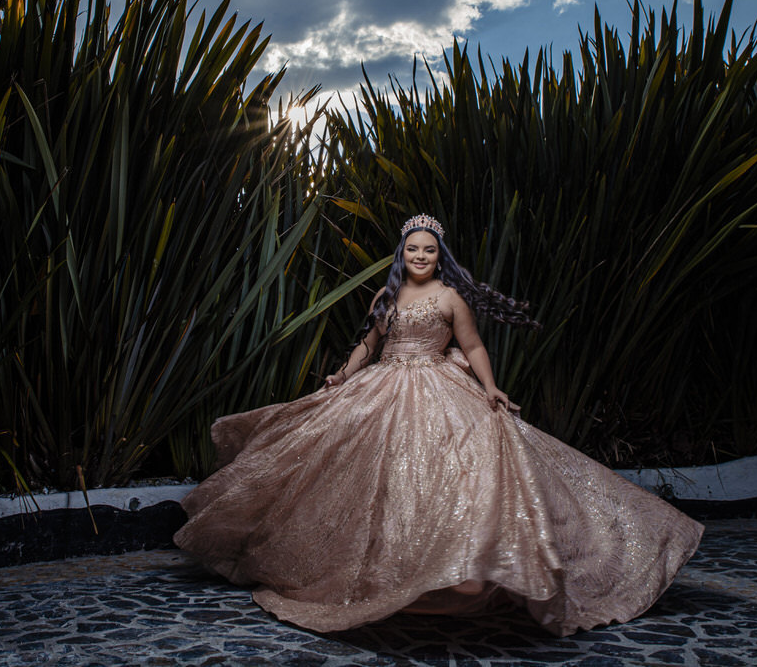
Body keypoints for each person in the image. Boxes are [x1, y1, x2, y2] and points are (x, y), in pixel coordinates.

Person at [174, 214, 704, 636]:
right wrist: (343, 374)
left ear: (439, 255)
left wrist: (491, 387)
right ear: (401, 254)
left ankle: (455, 568)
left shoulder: (450, 297)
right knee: (361, 473)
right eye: (413, 249)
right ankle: (381, 569)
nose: (421, 256)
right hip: (382, 387)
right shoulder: (385, 296)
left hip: (439, 387)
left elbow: (472, 345)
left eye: (429, 250)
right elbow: (369, 344)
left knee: (453, 473)